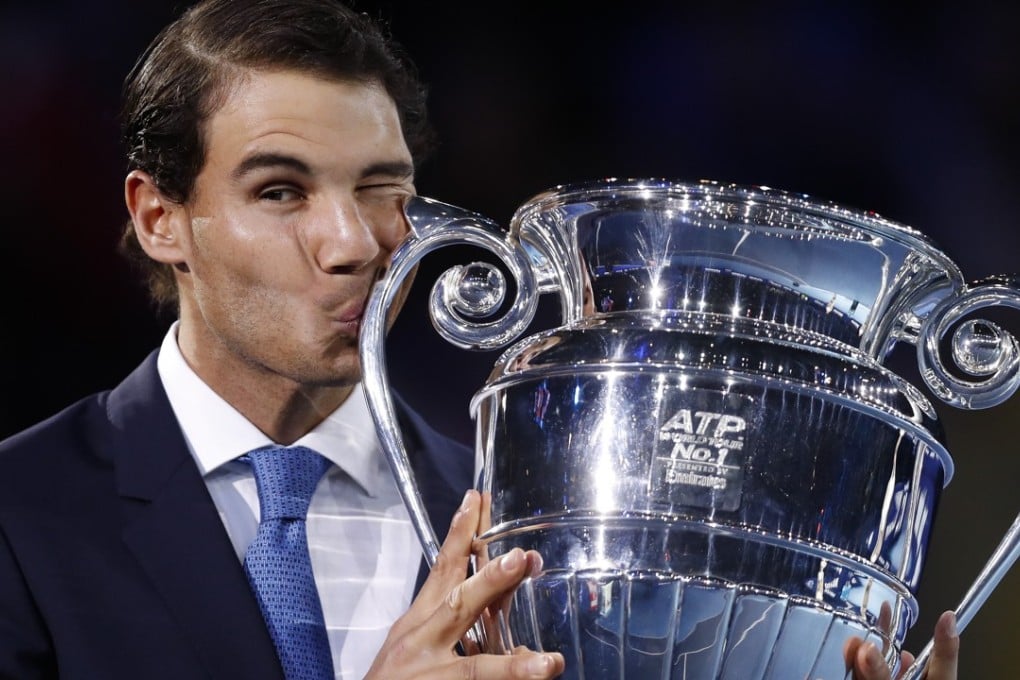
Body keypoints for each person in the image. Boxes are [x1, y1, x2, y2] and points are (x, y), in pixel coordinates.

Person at [0, 1, 959, 679]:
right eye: (281, 191)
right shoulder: (23, 516)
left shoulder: (539, 535)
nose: (352, 244)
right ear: (161, 216)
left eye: (382, 192)